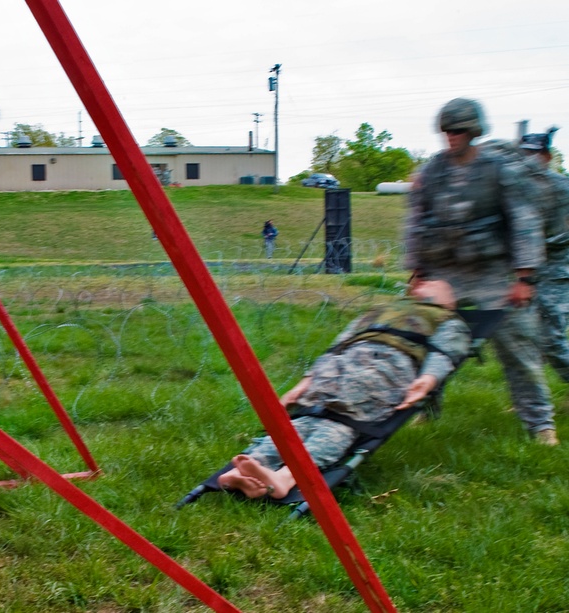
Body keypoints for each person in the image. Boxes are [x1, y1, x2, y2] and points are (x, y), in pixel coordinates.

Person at [218, 279, 472, 498]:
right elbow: (338, 345)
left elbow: (445, 352)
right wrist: (305, 382)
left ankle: (286, 478)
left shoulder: (448, 319)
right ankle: (246, 469)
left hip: (384, 368)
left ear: (448, 300)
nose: (421, 282)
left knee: (340, 422)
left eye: (431, 282)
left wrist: (427, 380)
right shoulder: (381, 310)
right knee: (303, 419)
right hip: (337, 367)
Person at [403, 97, 558, 445]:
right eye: (446, 131)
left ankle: (540, 424)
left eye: (458, 130)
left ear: (473, 131)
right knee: (429, 345)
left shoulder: (500, 171)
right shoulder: (432, 172)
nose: (451, 137)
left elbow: (524, 221)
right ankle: (425, 408)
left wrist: (523, 277)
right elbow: (415, 221)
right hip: (444, 274)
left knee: (519, 349)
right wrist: (416, 271)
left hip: (493, 274)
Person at [519, 129, 569, 384]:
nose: (529, 161)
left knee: (551, 340)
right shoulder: (518, 190)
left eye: (534, 155)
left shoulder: (563, 189)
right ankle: (532, 398)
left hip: (557, 274)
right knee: (524, 339)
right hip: (525, 275)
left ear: (547, 156)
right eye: (524, 155)